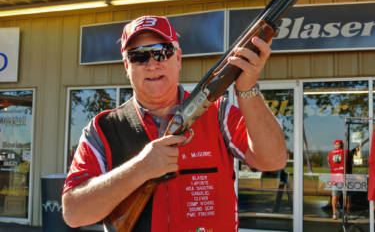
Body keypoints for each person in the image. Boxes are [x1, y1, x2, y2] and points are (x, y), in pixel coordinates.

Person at [62, 15, 286, 231]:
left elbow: (273, 160)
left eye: (162, 52)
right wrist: (140, 169)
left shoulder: (218, 112)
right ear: (126, 66)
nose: (152, 64)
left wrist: (247, 89)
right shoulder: (103, 129)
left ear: (178, 58)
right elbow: (74, 213)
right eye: (139, 56)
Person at [328, 139, 351, 220]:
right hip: (344, 176)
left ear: (335, 145)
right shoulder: (346, 152)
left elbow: (329, 165)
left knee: (334, 196)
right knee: (346, 196)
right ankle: (347, 214)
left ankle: (334, 214)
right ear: (342, 145)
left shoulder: (330, 154)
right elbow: (350, 164)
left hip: (335, 177)